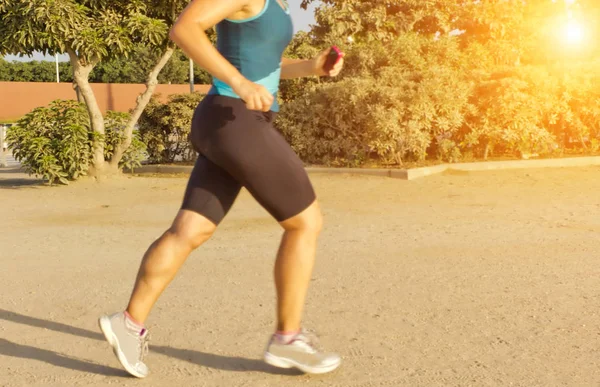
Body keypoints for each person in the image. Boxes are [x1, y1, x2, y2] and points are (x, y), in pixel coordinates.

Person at [98, 0, 345, 379]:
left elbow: (262, 67)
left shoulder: (273, 5)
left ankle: (128, 323)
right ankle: (287, 338)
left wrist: (311, 67)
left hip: (230, 121)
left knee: (191, 230)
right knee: (305, 223)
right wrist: (240, 83)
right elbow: (184, 29)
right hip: (237, 120)